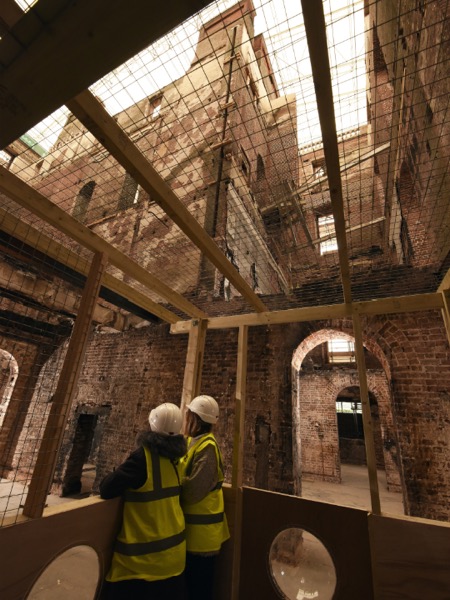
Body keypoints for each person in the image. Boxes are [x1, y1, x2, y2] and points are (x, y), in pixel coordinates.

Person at [99, 402, 187, 600]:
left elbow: (106, 487)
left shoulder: (143, 459)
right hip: (174, 559)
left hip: (142, 564)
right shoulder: (177, 461)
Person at [180, 394, 230, 600]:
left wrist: (172, 481)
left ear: (196, 420)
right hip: (193, 535)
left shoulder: (207, 448)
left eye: (189, 415)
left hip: (202, 541)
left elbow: (193, 491)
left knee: (198, 591)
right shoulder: (195, 442)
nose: (185, 419)